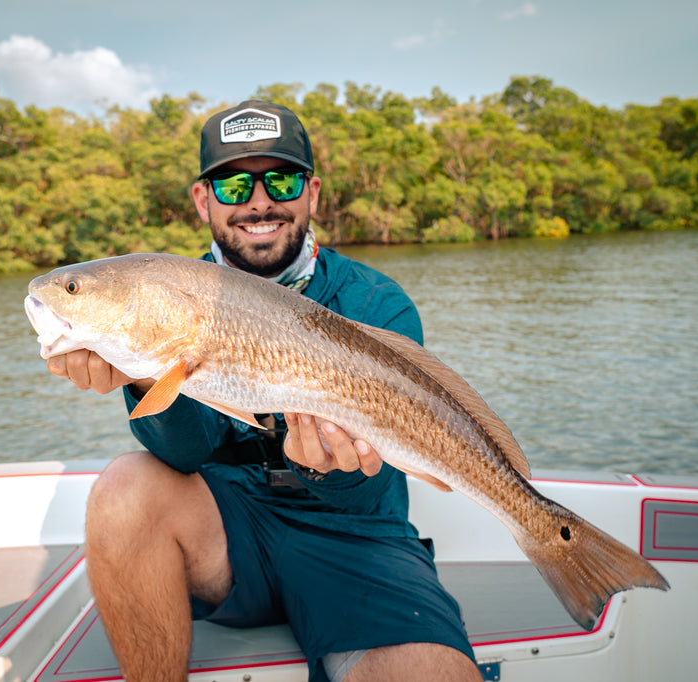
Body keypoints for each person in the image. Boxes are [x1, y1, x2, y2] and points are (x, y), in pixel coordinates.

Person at [47, 100, 482, 682]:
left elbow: (370, 496)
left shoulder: (378, 304)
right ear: (204, 200)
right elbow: (183, 457)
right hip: (230, 528)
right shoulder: (167, 293)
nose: (258, 201)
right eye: (232, 185)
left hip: (356, 537)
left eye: (280, 179)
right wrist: (147, 376)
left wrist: (328, 469)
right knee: (124, 486)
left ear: (313, 193)